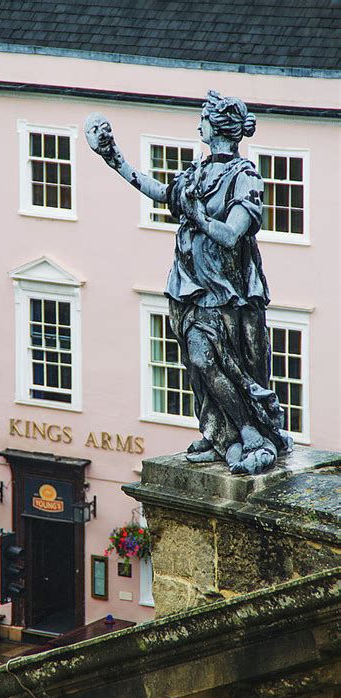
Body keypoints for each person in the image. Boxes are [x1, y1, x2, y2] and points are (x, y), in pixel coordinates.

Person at [85, 91, 292, 475]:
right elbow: (161, 192)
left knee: (225, 363)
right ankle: (221, 433)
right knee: (198, 365)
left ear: (217, 125)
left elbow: (232, 235)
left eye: (203, 118)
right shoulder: (196, 173)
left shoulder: (244, 177)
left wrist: (197, 217)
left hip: (228, 295)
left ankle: (249, 432)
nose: (198, 124)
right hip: (189, 287)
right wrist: (113, 158)